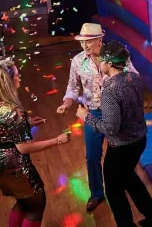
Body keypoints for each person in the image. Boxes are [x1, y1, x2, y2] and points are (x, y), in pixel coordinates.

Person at [76, 41, 152, 227]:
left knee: (114, 191)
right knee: (129, 178)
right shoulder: (134, 77)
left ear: (109, 63)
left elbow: (111, 129)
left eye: (101, 60)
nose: (99, 63)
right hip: (139, 140)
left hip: (121, 148)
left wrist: (86, 117)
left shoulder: (110, 91)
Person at [56, 23, 137, 213]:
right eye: (82, 41)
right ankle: (97, 193)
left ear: (100, 40)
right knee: (92, 156)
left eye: (89, 41)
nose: (84, 45)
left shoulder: (116, 55)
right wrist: (67, 103)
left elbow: (134, 77)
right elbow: (73, 87)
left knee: (122, 155)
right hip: (92, 113)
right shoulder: (77, 61)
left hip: (117, 112)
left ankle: (127, 186)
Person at [0, 62, 70, 227]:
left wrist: (27, 123)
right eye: (16, 74)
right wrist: (57, 140)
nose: (19, 77)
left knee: (23, 202)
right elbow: (24, 147)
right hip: (14, 167)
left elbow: (1, 131)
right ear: (7, 82)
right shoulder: (13, 112)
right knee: (36, 205)